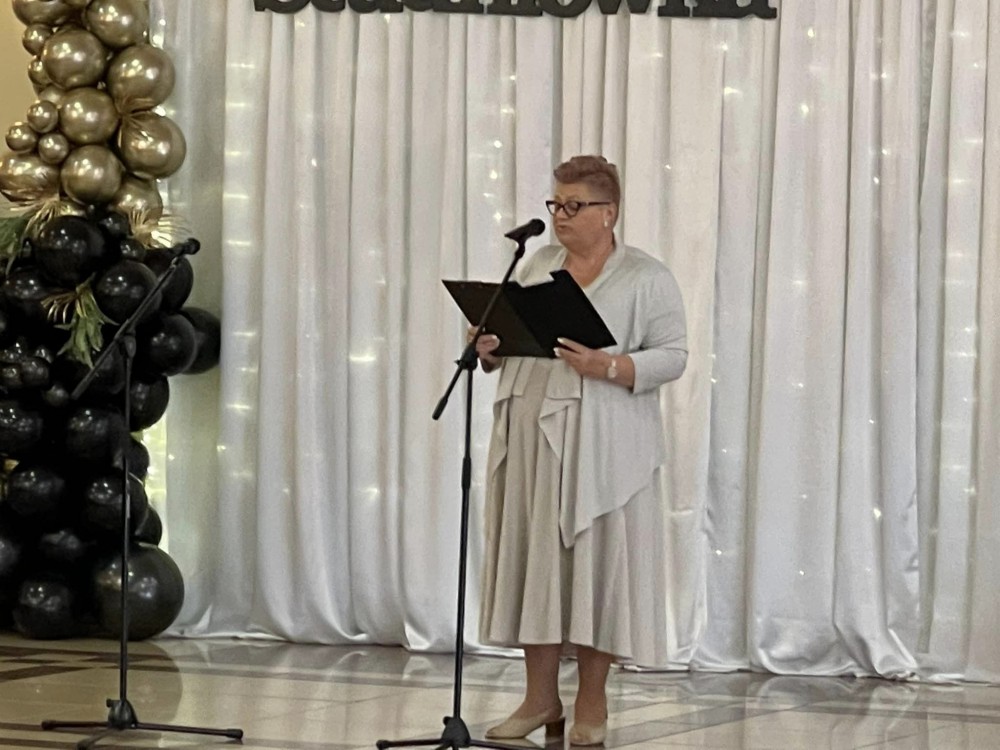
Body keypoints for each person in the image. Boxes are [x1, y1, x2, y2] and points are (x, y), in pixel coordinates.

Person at [471, 155, 687, 746]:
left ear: (608, 212)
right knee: (537, 561)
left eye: (574, 206)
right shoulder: (536, 264)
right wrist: (490, 347)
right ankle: (539, 698)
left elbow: (673, 354)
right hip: (534, 433)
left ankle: (593, 699)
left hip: (606, 443)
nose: (561, 216)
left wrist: (609, 366)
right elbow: (515, 341)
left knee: (598, 565)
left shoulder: (646, 276)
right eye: (556, 204)